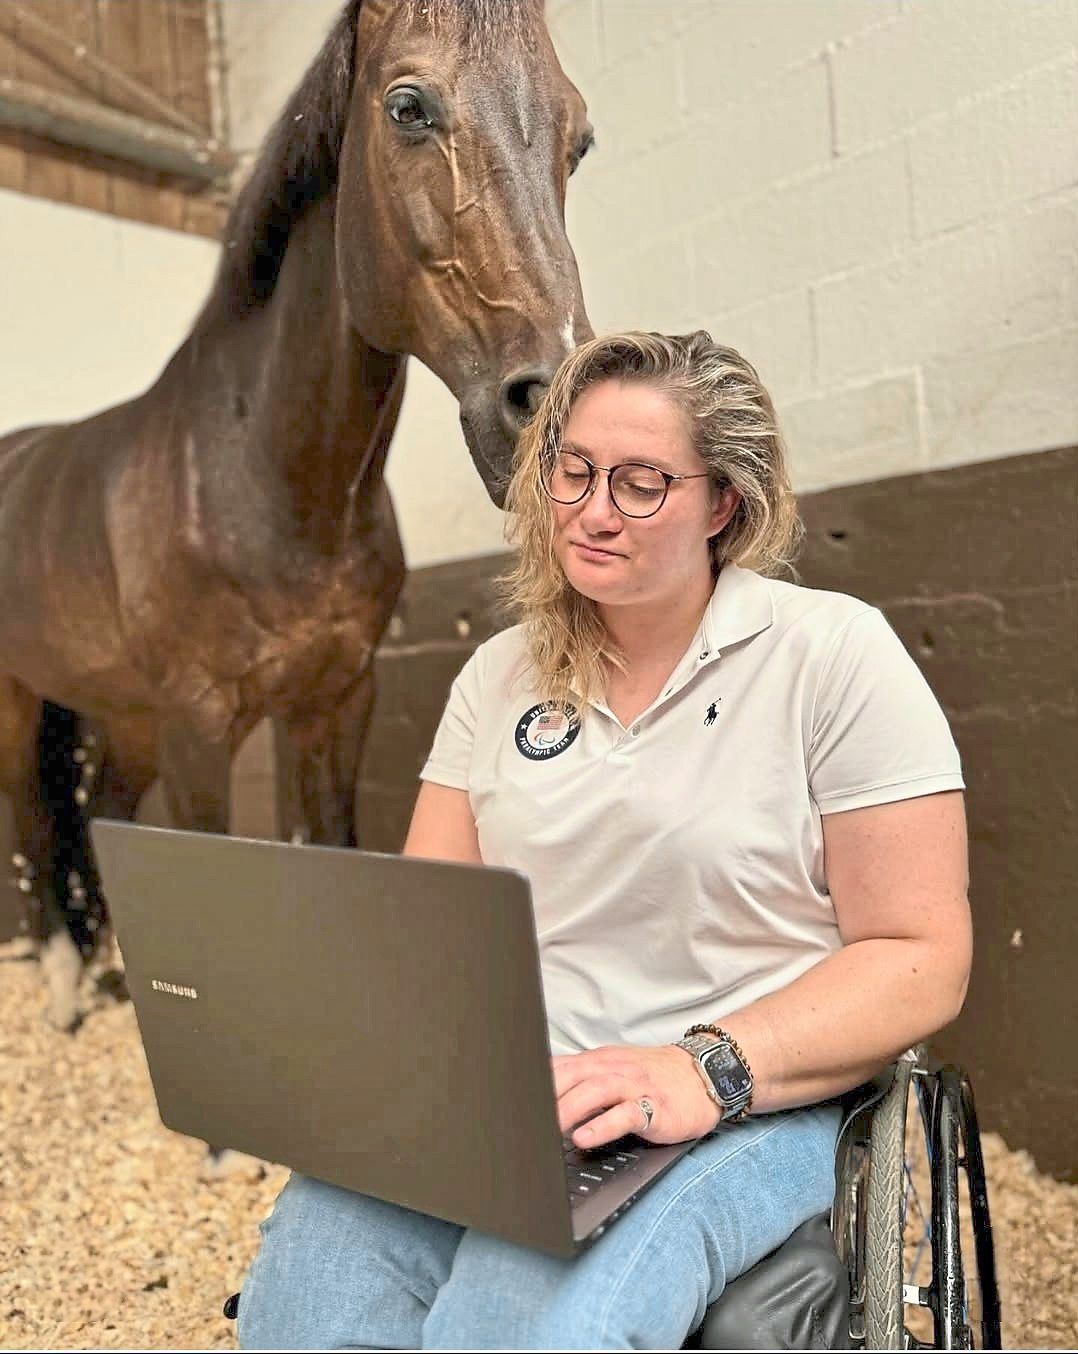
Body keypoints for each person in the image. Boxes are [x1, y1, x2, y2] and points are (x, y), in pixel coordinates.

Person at [236, 330, 972, 1350]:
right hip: (511, 1099)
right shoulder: (498, 675)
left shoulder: (830, 656)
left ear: (723, 503)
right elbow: (427, 934)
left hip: (741, 1103)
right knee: (299, 1316)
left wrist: (701, 1068)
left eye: (640, 484)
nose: (589, 511)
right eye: (572, 471)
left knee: (506, 1331)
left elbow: (920, 956)